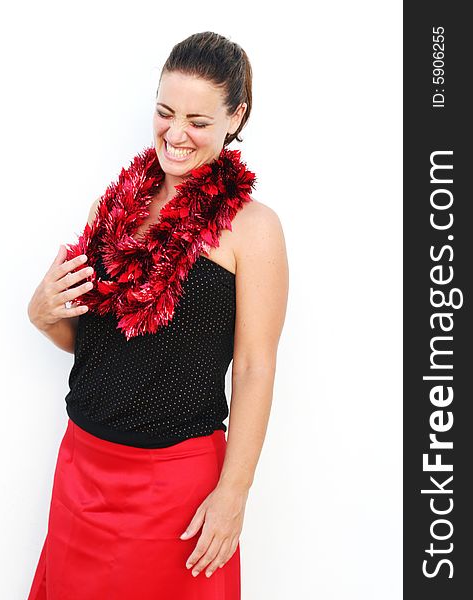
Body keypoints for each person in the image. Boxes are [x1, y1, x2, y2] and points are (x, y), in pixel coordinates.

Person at [26, 31, 288, 600]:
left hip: (176, 488)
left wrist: (233, 494)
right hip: (82, 467)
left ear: (234, 116)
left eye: (198, 119)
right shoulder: (113, 204)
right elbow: (101, 342)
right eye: (165, 112)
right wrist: (42, 315)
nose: (176, 133)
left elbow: (253, 369)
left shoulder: (253, 228)